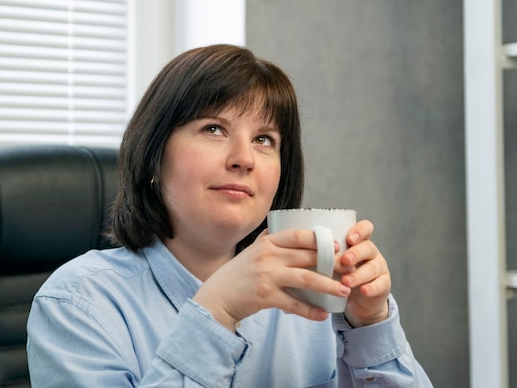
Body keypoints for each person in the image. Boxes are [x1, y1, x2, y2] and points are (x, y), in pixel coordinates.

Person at [26, 44, 434, 387]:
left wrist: (371, 324)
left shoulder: (315, 291)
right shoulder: (76, 303)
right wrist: (217, 311)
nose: (243, 159)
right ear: (153, 154)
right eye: (213, 129)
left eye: (263, 139)